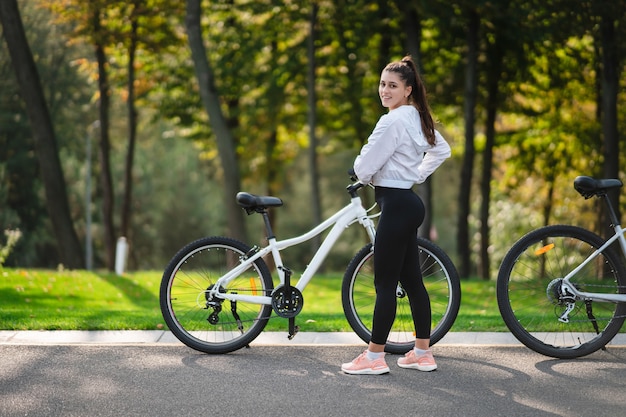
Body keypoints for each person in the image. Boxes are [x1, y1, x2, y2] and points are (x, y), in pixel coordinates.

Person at [341, 55, 451, 375]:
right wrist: (416, 175)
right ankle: (422, 353)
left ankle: (374, 358)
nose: (384, 91)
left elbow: (363, 167)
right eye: (382, 84)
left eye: (392, 86)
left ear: (407, 90)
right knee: (412, 282)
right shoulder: (417, 117)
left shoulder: (391, 121)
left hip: (396, 203)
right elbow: (440, 150)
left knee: (385, 283)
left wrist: (364, 172)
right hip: (408, 203)